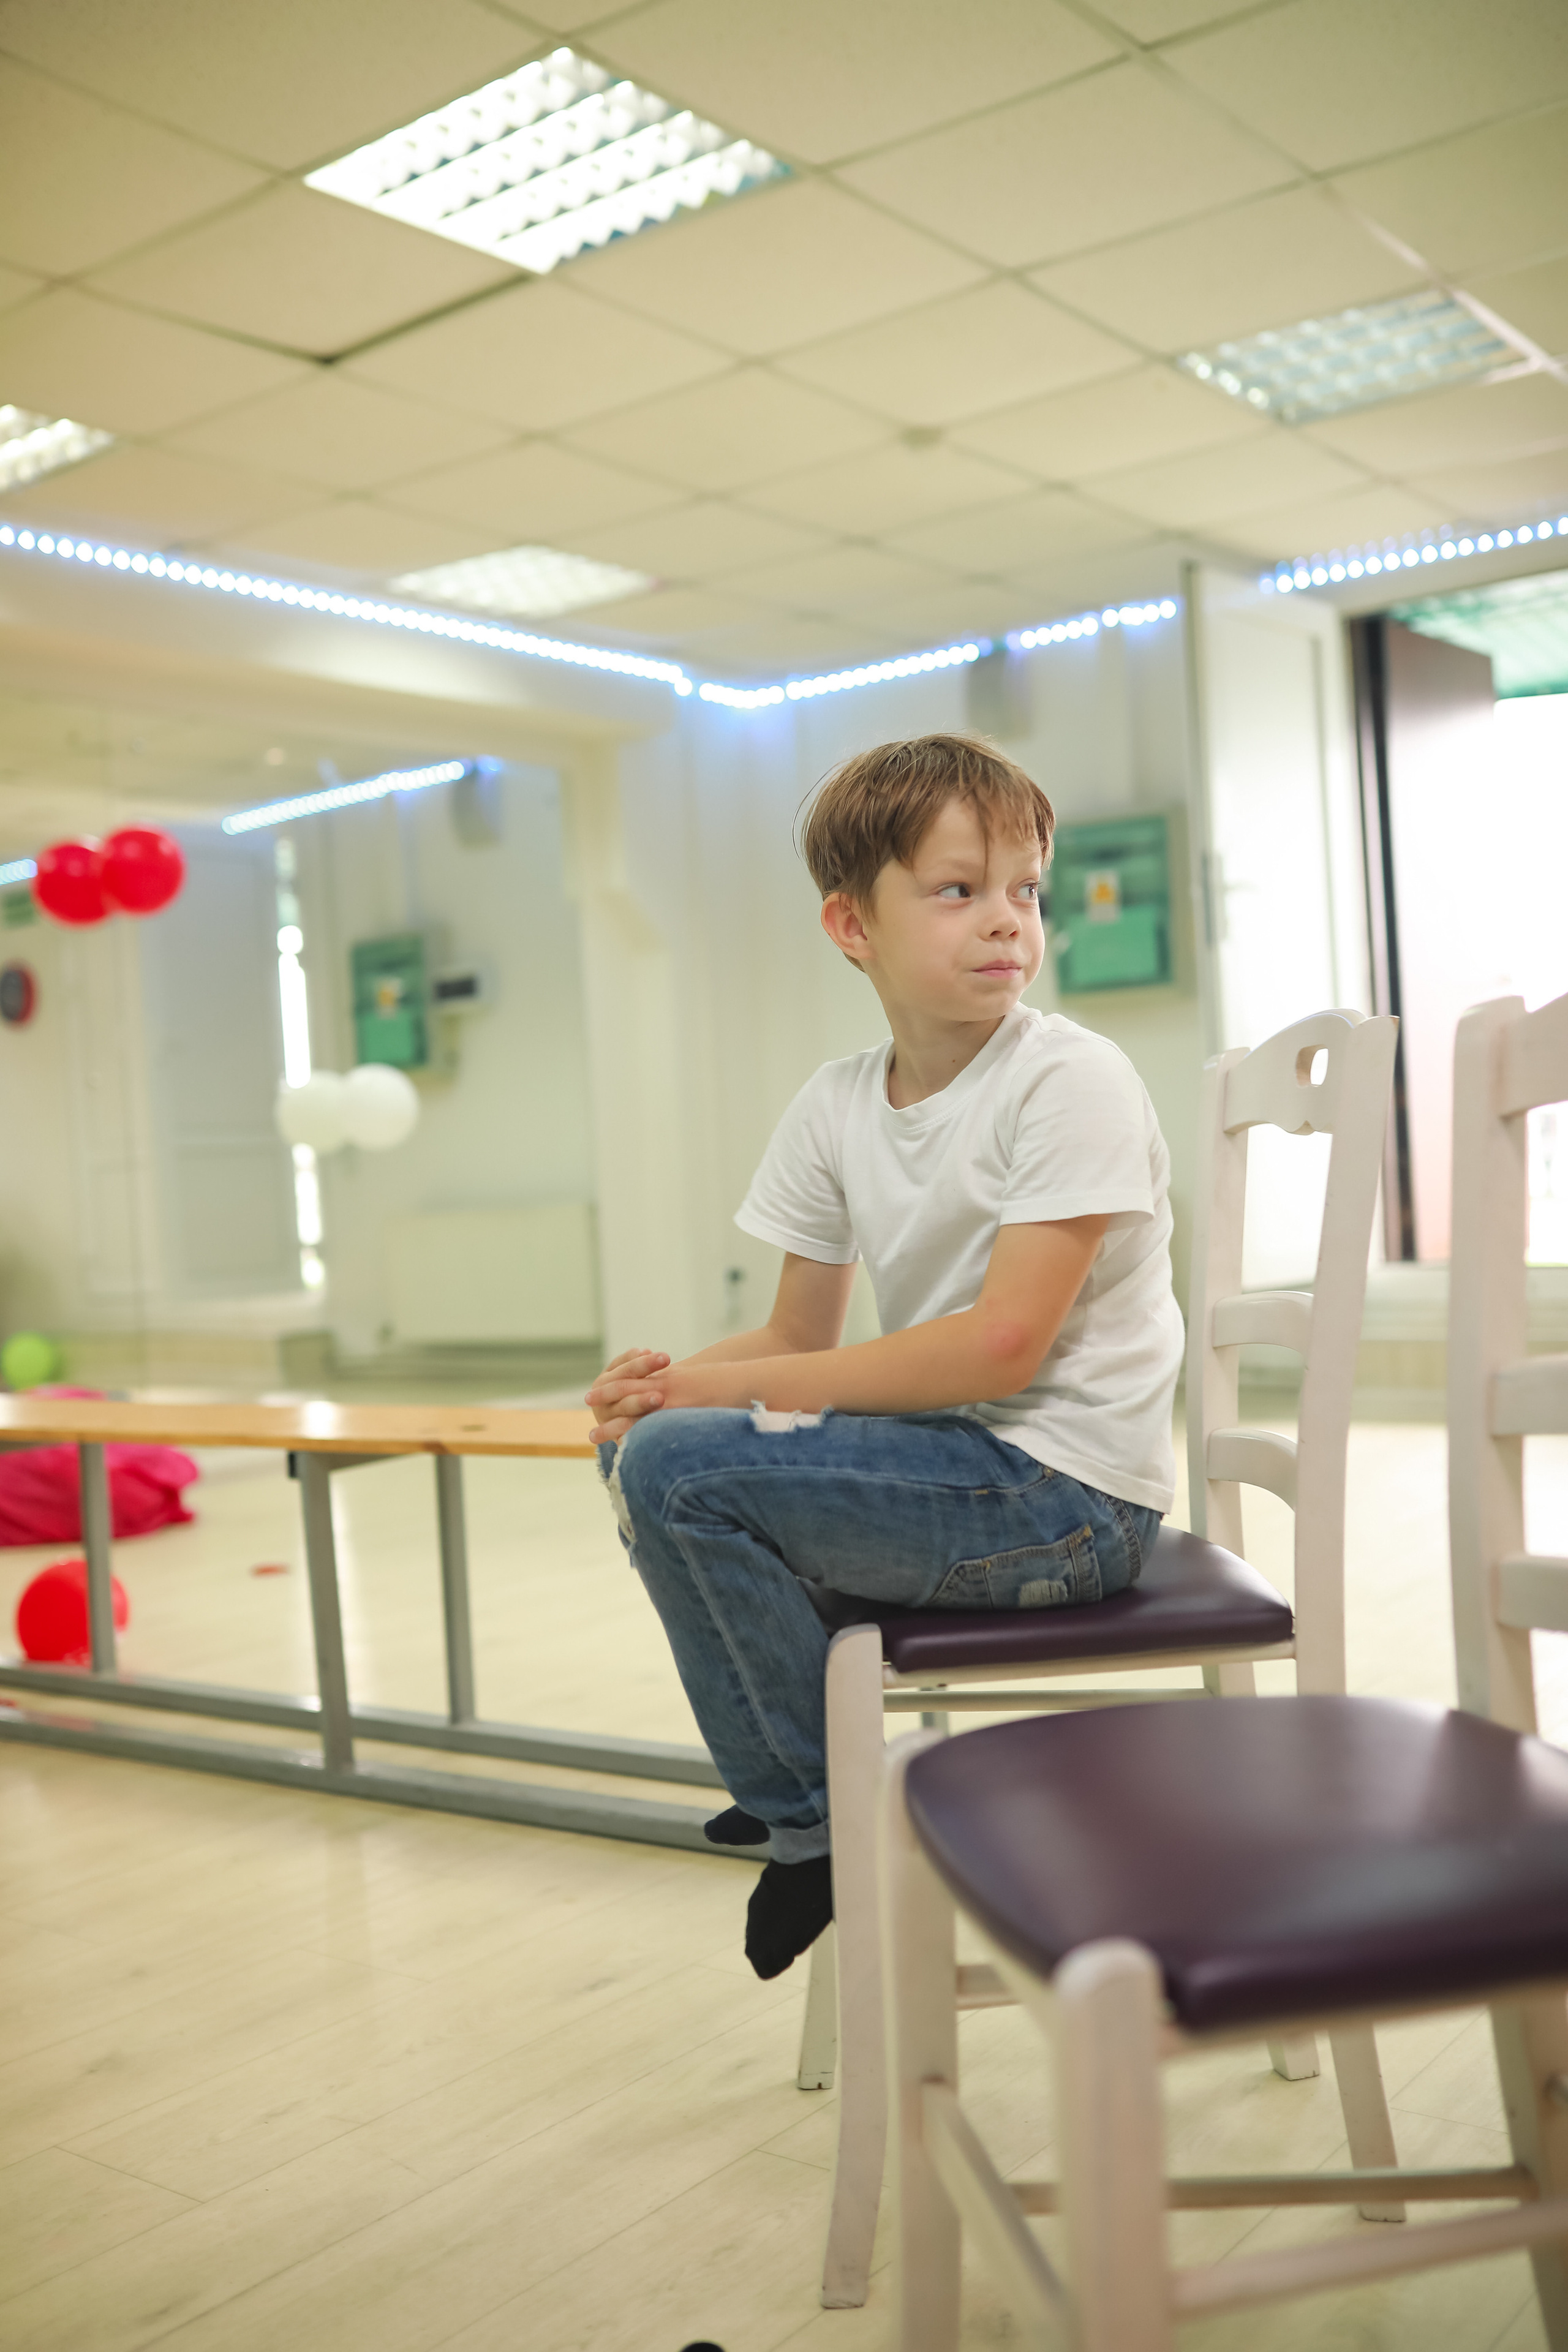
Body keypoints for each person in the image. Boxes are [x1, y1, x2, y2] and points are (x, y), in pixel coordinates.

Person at [586, 734, 1184, 1980]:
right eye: (957, 889)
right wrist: (660, 1387)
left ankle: (814, 1823)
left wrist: (703, 1407)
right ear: (849, 925)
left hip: (1068, 1498)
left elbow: (996, 1349)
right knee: (648, 1447)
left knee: (682, 1471)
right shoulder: (836, 1101)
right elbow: (794, 1340)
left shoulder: (1072, 1079)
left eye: (1023, 889)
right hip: (957, 1464)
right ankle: (804, 1781)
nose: (1005, 923)